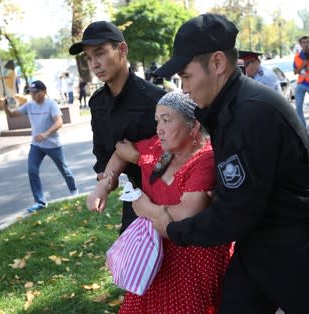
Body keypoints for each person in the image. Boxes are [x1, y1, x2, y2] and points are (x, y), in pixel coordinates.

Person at [152, 14, 309, 313]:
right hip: (258, 240)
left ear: (218, 64)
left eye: (186, 76)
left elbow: (236, 213)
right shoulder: (231, 107)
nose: (184, 88)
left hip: (288, 248)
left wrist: (173, 230)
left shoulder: (249, 113)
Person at [88, 91, 231, 313]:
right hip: (155, 256)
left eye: (167, 120)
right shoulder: (161, 149)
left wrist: (148, 209)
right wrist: (103, 185)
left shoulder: (205, 158)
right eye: (157, 121)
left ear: (193, 127)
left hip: (194, 260)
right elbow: (121, 152)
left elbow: (187, 213)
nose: (159, 129)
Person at [69, 21, 165, 233]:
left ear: (122, 49)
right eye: (89, 57)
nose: (94, 63)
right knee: (131, 262)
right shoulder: (97, 103)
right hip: (133, 197)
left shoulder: (156, 100)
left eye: (100, 53)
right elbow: (103, 152)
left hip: (168, 198)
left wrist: (139, 158)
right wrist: (104, 183)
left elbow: (178, 156)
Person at [4, 80, 78, 213]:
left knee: (64, 168)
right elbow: (12, 115)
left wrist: (45, 134)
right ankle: (40, 201)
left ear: (44, 92)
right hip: (36, 145)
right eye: (31, 92)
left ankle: (74, 191)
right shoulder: (29, 106)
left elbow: (59, 122)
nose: (33, 95)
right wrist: (5, 108)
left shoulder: (51, 105)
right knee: (32, 170)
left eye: (36, 92)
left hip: (53, 144)